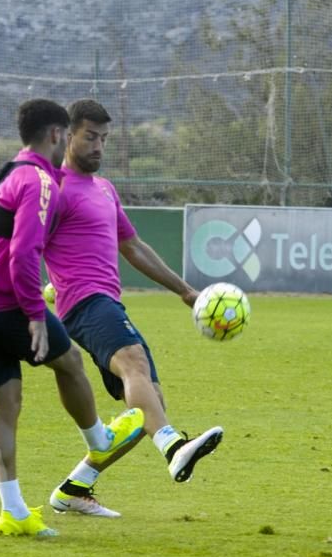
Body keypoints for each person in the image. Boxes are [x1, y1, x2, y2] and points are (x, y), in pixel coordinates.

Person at [0, 98, 144, 538]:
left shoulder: (5, 170)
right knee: (70, 360)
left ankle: (14, 512)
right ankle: (100, 440)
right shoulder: (40, 181)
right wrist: (35, 314)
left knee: (6, 402)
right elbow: (23, 253)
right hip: (2, 302)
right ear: (58, 135)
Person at [44, 98, 223, 516]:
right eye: (90, 137)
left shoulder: (104, 189)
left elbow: (133, 246)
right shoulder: (52, 188)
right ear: (69, 136)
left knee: (147, 402)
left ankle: (75, 488)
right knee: (133, 364)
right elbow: (22, 244)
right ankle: (174, 447)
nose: (98, 147)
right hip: (83, 302)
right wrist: (7, 306)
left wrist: (185, 291)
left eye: (104, 139)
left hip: (107, 301)